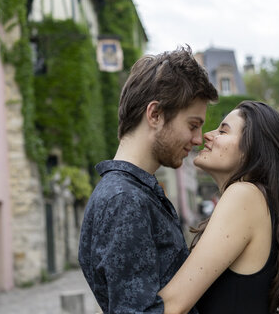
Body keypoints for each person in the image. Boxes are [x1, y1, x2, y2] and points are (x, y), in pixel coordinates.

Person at [78, 47, 218, 313]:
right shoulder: (125, 200)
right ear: (155, 114)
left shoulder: (133, 193)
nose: (199, 138)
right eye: (192, 125)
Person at [158, 101, 279, 314]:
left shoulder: (244, 195)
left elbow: (174, 304)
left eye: (223, 130)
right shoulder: (261, 202)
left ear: (252, 148)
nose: (207, 135)